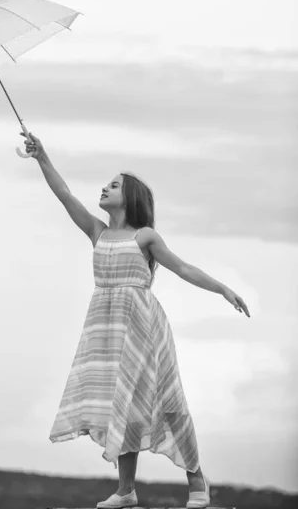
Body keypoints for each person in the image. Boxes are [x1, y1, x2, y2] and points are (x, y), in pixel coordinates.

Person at [18, 131, 250, 509]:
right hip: (107, 328)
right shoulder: (98, 232)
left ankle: (197, 481)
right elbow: (65, 195)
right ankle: (126, 491)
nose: (104, 188)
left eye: (113, 185)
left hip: (143, 326)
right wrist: (42, 156)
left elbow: (183, 268)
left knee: (167, 402)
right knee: (120, 405)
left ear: (131, 198)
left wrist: (223, 289)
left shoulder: (145, 236)